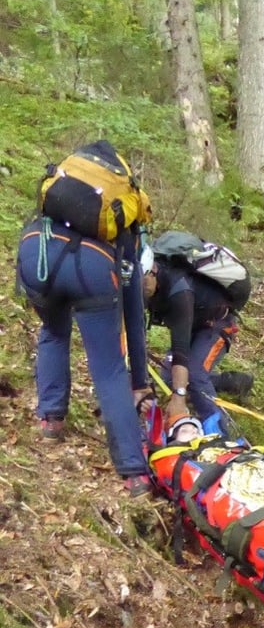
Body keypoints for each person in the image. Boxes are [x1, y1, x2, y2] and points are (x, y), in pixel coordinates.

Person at [17, 201, 152, 498]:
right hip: (91, 269)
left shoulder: (60, 198)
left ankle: (51, 421)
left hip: (36, 250)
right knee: (109, 369)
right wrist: (140, 382)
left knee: (53, 332)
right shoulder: (127, 226)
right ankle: (134, 473)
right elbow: (133, 316)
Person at [141, 247, 251, 430]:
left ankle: (220, 434)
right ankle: (232, 382)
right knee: (169, 379)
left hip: (217, 324)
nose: (141, 288)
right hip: (192, 323)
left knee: (195, 375)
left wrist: (179, 398)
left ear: (153, 270)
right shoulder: (144, 285)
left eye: (143, 281)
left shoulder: (179, 290)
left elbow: (180, 351)